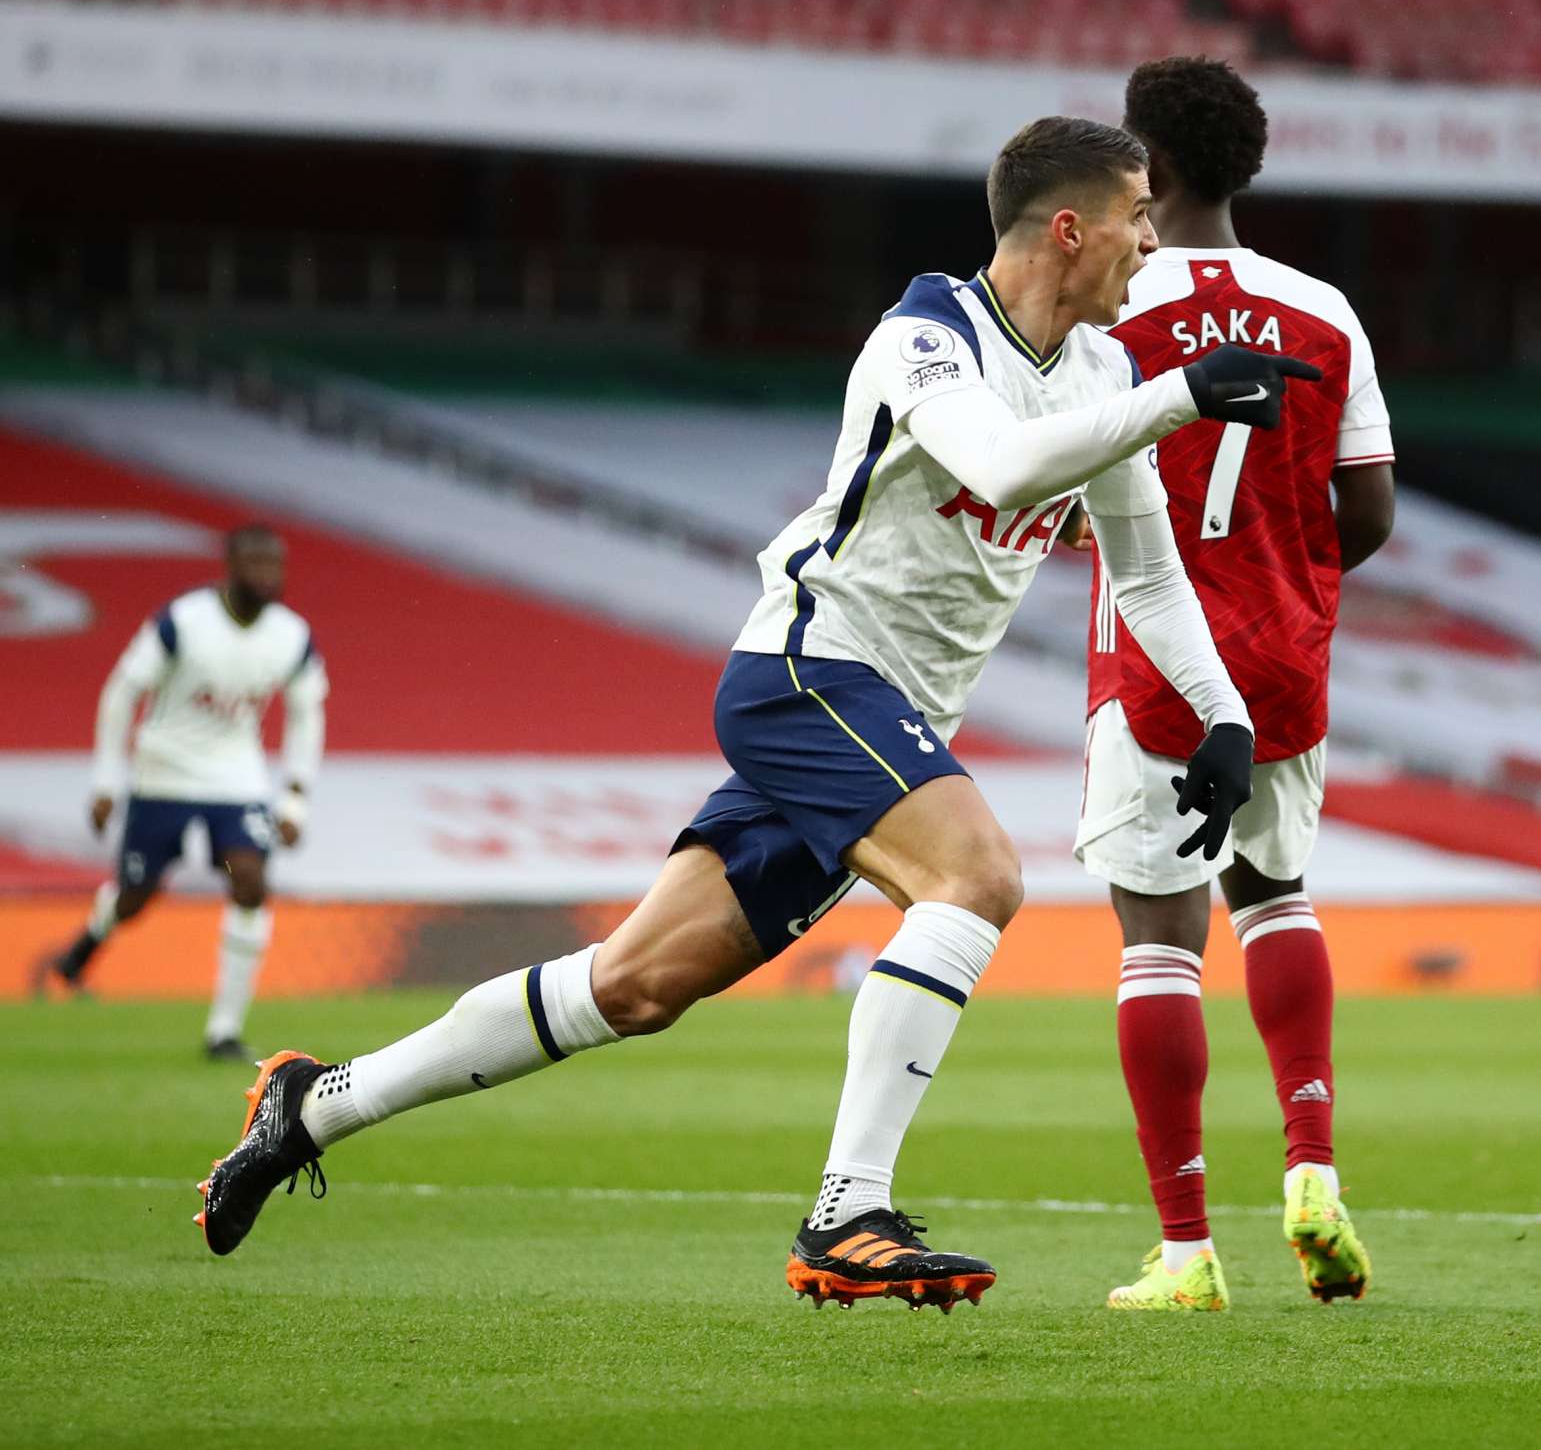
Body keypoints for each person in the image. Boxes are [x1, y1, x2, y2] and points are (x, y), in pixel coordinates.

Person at [194, 116, 1325, 1314]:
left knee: (631, 987)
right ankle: (849, 1210)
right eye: (1137, 217)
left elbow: (1145, 574)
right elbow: (999, 467)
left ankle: (314, 1105)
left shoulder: (1103, 376)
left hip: (883, 718)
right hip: (808, 671)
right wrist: (1182, 397)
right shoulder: (925, 338)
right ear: (1068, 229)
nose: (1151, 242)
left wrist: (1222, 717)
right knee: (976, 877)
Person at [1077, 57, 1396, 1312]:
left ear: (1144, 167)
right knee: (1276, 895)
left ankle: (1187, 1251)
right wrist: (1283, 574)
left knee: (1160, 947)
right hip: (1283, 656)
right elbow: (1368, 510)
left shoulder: (1106, 306)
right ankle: (1312, 1166)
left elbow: (1053, 473)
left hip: (1155, 659)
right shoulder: (1324, 308)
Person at [31, 524, 325, 1064]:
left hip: (236, 779)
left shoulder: (292, 635)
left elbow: (307, 713)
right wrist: (106, 780)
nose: (268, 576)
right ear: (231, 567)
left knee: (250, 880)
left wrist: (295, 796)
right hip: (163, 774)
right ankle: (85, 947)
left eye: (276, 565)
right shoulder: (183, 621)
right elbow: (122, 690)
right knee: (135, 896)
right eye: (256, 564)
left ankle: (224, 1031)